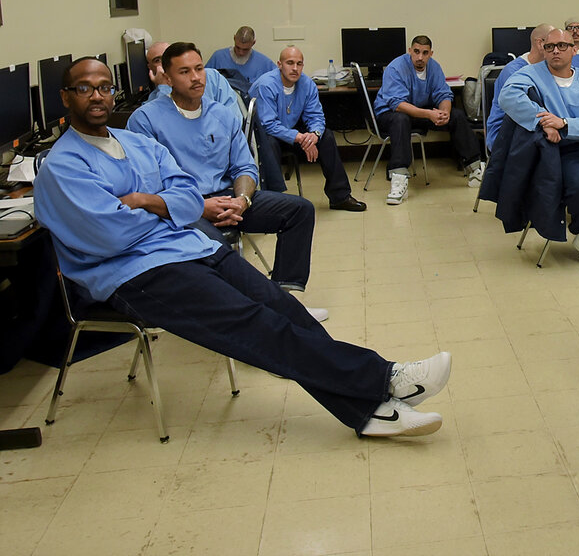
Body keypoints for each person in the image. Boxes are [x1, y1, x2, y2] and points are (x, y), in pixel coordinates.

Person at [34, 57, 451, 438]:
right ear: (65, 96)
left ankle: (368, 414)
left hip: (189, 245)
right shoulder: (63, 166)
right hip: (135, 273)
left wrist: (146, 201)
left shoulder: (136, 143)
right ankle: (385, 379)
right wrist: (169, 209)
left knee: (282, 306)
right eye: (86, 88)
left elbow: (186, 194)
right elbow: (110, 233)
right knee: (254, 321)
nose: (98, 96)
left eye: (105, 87)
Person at [126, 42, 327, 323]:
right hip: (181, 208)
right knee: (216, 246)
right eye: (185, 72)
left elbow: (244, 166)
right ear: (167, 79)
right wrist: (198, 206)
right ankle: (253, 316)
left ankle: (285, 304)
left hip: (228, 198)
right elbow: (148, 186)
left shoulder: (221, 114)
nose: (196, 77)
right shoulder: (145, 120)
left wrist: (242, 200)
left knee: (299, 211)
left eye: (199, 69)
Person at [498, 28, 579, 268]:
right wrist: (542, 121)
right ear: (543, 49)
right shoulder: (531, 74)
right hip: (562, 151)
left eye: (562, 45)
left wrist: (564, 123)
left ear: (574, 48)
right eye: (549, 47)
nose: (555, 51)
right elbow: (507, 98)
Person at [251, 47, 366, 212]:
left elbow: (316, 117)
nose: (295, 68)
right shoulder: (266, 85)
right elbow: (268, 124)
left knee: (326, 136)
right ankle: (273, 203)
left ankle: (340, 197)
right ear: (279, 64)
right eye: (290, 63)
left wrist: (314, 135)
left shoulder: (307, 84)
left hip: (292, 131)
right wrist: (299, 137)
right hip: (266, 135)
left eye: (299, 64)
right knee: (270, 143)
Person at [373, 36, 484, 205]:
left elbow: (444, 93)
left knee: (457, 116)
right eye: (416, 52)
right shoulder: (395, 68)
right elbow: (397, 104)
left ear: (430, 54)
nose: (420, 57)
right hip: (391, 114)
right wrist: (428, 114)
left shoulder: (434, 67)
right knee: (401, 120)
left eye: (425, 53)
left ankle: (475, 169)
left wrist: (444, 112)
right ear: (410, 51)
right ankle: (399, 178)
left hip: (421, 112)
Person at [486, 24, 553, 153]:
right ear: (540, 43)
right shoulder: (514, 71)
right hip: (506, 132)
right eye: (552, 45)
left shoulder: (547, 68)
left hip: (533, 126)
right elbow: (524, 110)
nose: (556, 50)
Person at [146, 40, 239, 113]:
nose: (196, 77)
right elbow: (163, 126)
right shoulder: (154, 99)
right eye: (157, 60)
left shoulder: (213, 78)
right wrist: (164, 86)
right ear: (150, 67)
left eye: (199, 68)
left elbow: (234, 120)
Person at [205, 25, 278, 84]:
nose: (240, 52)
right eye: (238, 47)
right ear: (234, 38)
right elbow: (205, 79)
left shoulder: (263, 63)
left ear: (253, 43)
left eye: (245, 49)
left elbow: (278, 79)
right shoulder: (218, 57)